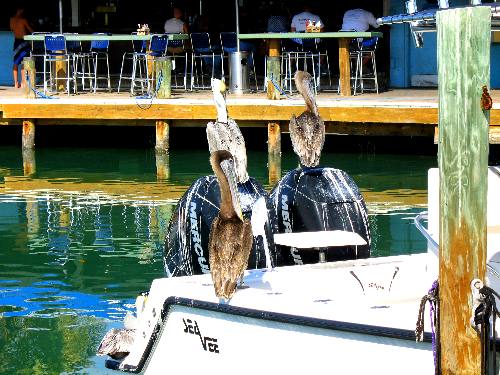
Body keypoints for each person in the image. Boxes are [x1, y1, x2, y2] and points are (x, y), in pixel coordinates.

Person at [10, 7, 33, 88]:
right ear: (19, 10)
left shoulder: (11, 20)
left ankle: (16, 83)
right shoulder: (23, 20)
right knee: (24, 61)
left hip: (16, 41)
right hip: (23, 42)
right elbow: (31, 31)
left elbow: (12, 29)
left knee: (16, 62)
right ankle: (23, 82)